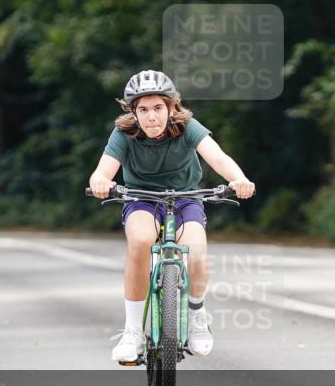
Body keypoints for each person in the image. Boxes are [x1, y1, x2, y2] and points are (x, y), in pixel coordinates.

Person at [88, 70, 255, 363]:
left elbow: (216, 156)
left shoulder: (187, 126)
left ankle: (197, 317)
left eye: (158, 108)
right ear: (133, 112)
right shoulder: (124, 134)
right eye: (143, 109)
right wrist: (100, 182)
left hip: (186, 199)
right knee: (140, 243)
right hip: (142, 199)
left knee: (197, 253)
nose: (151, 116)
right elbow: (103, 170)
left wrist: (239, 179)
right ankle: (132, 332)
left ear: (171, 108)